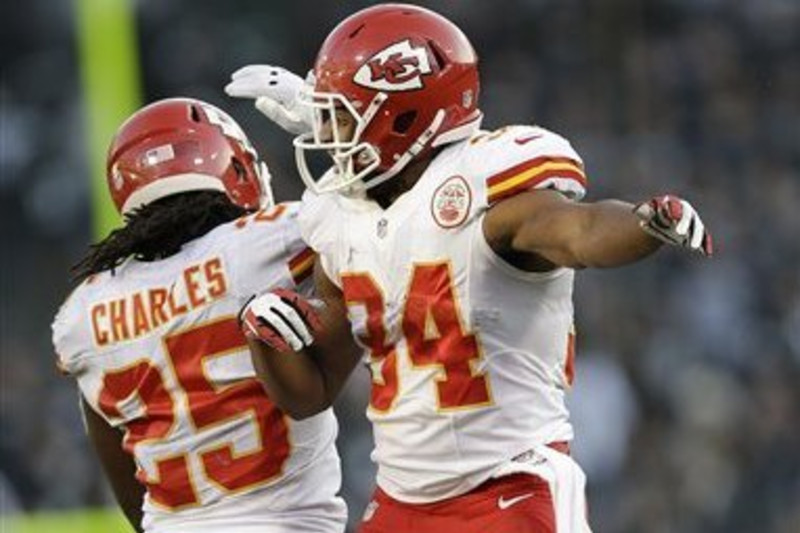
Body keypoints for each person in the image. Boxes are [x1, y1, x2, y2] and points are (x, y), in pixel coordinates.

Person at [226, 4, 712, 532]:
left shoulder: (480, 189)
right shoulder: (344, 222)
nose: (328, 134)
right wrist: (265, 330)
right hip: (399, 502)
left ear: (406, 116)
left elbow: (581, 231)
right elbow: (311, 391)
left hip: (507, 489)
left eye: (341, 116)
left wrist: (644, 224)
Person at [51, 98, 346, 533]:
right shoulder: (271, 241)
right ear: (238, 169)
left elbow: (129, 482)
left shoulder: (82, 312)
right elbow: (372, 221)